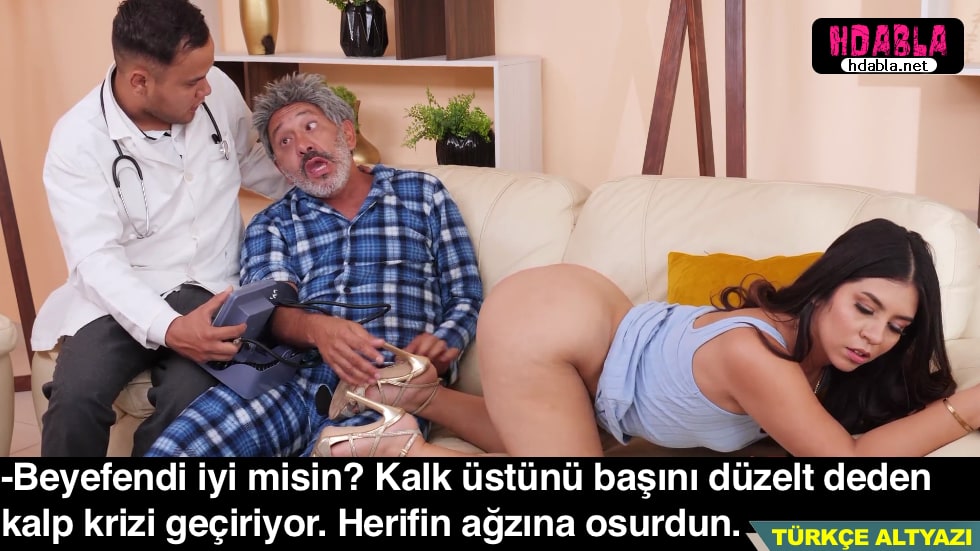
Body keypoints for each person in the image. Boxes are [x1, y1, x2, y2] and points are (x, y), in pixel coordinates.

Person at [311, 217, 980, 458]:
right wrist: (968, 408)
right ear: (828, 286)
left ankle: (410, 395)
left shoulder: (818, 353)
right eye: (865, 307)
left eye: (896, 326)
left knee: (556, 434)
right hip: (549, 321)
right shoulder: (761, 358)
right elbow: (847, 459)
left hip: (599, 327)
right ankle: (388, 446)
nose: (874, 336)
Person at [144, 72, 498, 457]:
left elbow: (465, 294)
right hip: (287, 382)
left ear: (347, 134)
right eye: (285, 141)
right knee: (175, 450)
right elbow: (269, 312)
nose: (302, 146)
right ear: (280, 167)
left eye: (310, 126)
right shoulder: (271, 224)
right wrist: (318, 330)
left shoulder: (423, 193)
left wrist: (444, 343)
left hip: (382, 385)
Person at [33, 0, 290, 457]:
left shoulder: (217, 91)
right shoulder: (78, 139)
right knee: (75, 400)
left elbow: (249, 160)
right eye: (192, 81)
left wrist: (321, 180)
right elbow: (95, 259)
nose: (207, 88)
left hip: (211, 287)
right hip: (122, 293)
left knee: (187, 404)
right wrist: (170, 328)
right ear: (140, 81)